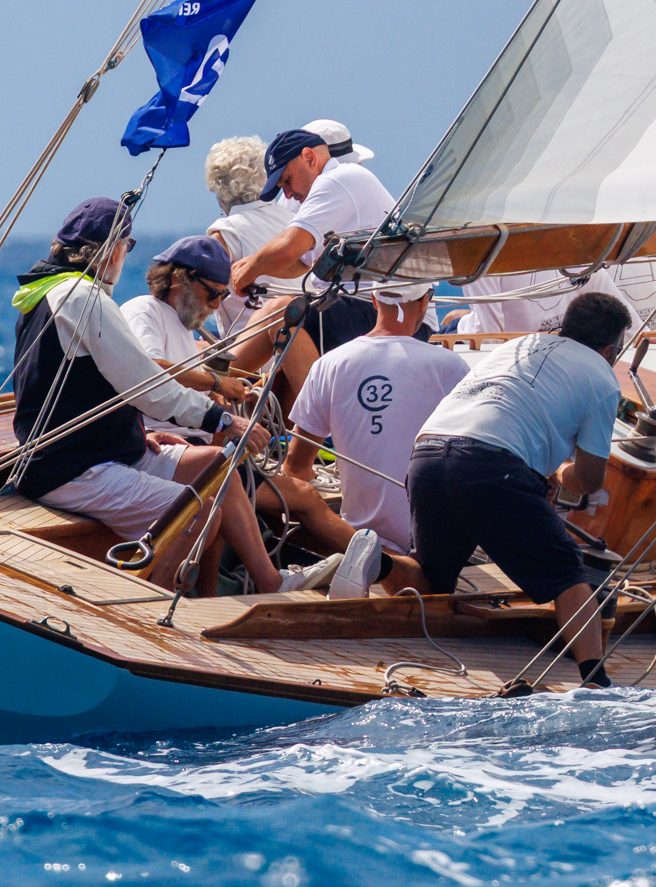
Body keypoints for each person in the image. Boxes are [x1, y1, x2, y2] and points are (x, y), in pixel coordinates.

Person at [9, 197, 301, 595]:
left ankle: (266, 584)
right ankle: (147, 609)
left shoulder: (48, 293)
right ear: (113, 250)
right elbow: (147, 386)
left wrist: (132, 432)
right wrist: (222, 419)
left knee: (217, 467)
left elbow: (77, 389)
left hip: (101, 451)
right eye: (126, 247)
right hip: (72, 469)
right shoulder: (85, 300)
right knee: (196, 513)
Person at [407, 291, 631, 688]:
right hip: (492, 467)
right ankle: (596, 682)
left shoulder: (516, 345)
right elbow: (590, 480)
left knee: (433, 578)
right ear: (611, 348)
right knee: (568, 575)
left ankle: (380, 562)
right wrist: (560, 473)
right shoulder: (602, 377)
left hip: (426, 453)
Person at [268, 280, 470, 599]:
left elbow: (297, 466)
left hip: (351, 534)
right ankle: (382, 566)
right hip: (424, 544)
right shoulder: (452, 367)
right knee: (438, 581)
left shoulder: (328, 366)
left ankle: (358, 560)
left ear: (374, 300)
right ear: (425, 302)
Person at [230, 122, 397, 356]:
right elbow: (300, 263)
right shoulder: (331, 186)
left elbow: (289, 249)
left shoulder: (338, 179)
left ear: (309, 158)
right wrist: (252, 267)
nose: (287, 194)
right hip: (371, 308)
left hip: (383, 312)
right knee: (274, 317)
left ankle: (216, 382)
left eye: (286, 181)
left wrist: (251, 269)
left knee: (279, 312)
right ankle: (225, 383)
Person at [120, 236, 250, 421]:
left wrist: (220, 397)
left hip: (191, 434)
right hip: (160, 439)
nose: (216, 304)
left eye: (223, 294)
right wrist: (216, 383)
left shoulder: (183, 323)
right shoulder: (144, 310)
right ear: (178, 278)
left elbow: (182, 389)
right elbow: (149, 369)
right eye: (212, 293)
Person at [201, 135, 299, 339]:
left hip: (251, 351)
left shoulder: (226, 232)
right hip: (303, 340)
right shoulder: (294, 221)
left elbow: (199, 297)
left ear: (219, 190)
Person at [452, 260, 656, 337]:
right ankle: (457, 319)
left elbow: (488, 336)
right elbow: (605, 290)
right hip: (560, 344)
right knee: (455, 320)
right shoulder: (569, 242)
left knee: (451, 323)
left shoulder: (487, 254)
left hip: (505, 343)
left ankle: (457, 319)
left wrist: (641, 336)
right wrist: (640, 335)